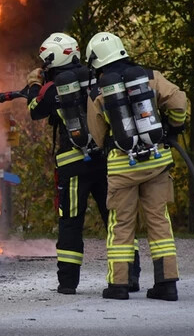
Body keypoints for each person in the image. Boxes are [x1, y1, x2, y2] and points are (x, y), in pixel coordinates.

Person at [25, 32, 140, 294]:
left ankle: (67, 283)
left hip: (73, 164)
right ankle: (130, 276)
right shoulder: (96, 78)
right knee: (115, 219)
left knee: (70, 223)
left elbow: (35, 109)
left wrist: (33, 84)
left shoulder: (55, 88)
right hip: (105, 161)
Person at [85, 31, 188, 301]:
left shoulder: (97, 91)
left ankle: (118, 286)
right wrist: (172, 127)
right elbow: (178, 102)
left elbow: (96, 136)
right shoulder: (150, 76)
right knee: (159, 221)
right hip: (157, 162)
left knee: (120, 225)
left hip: (122, 166)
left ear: (95, 61)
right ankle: (166, 284)